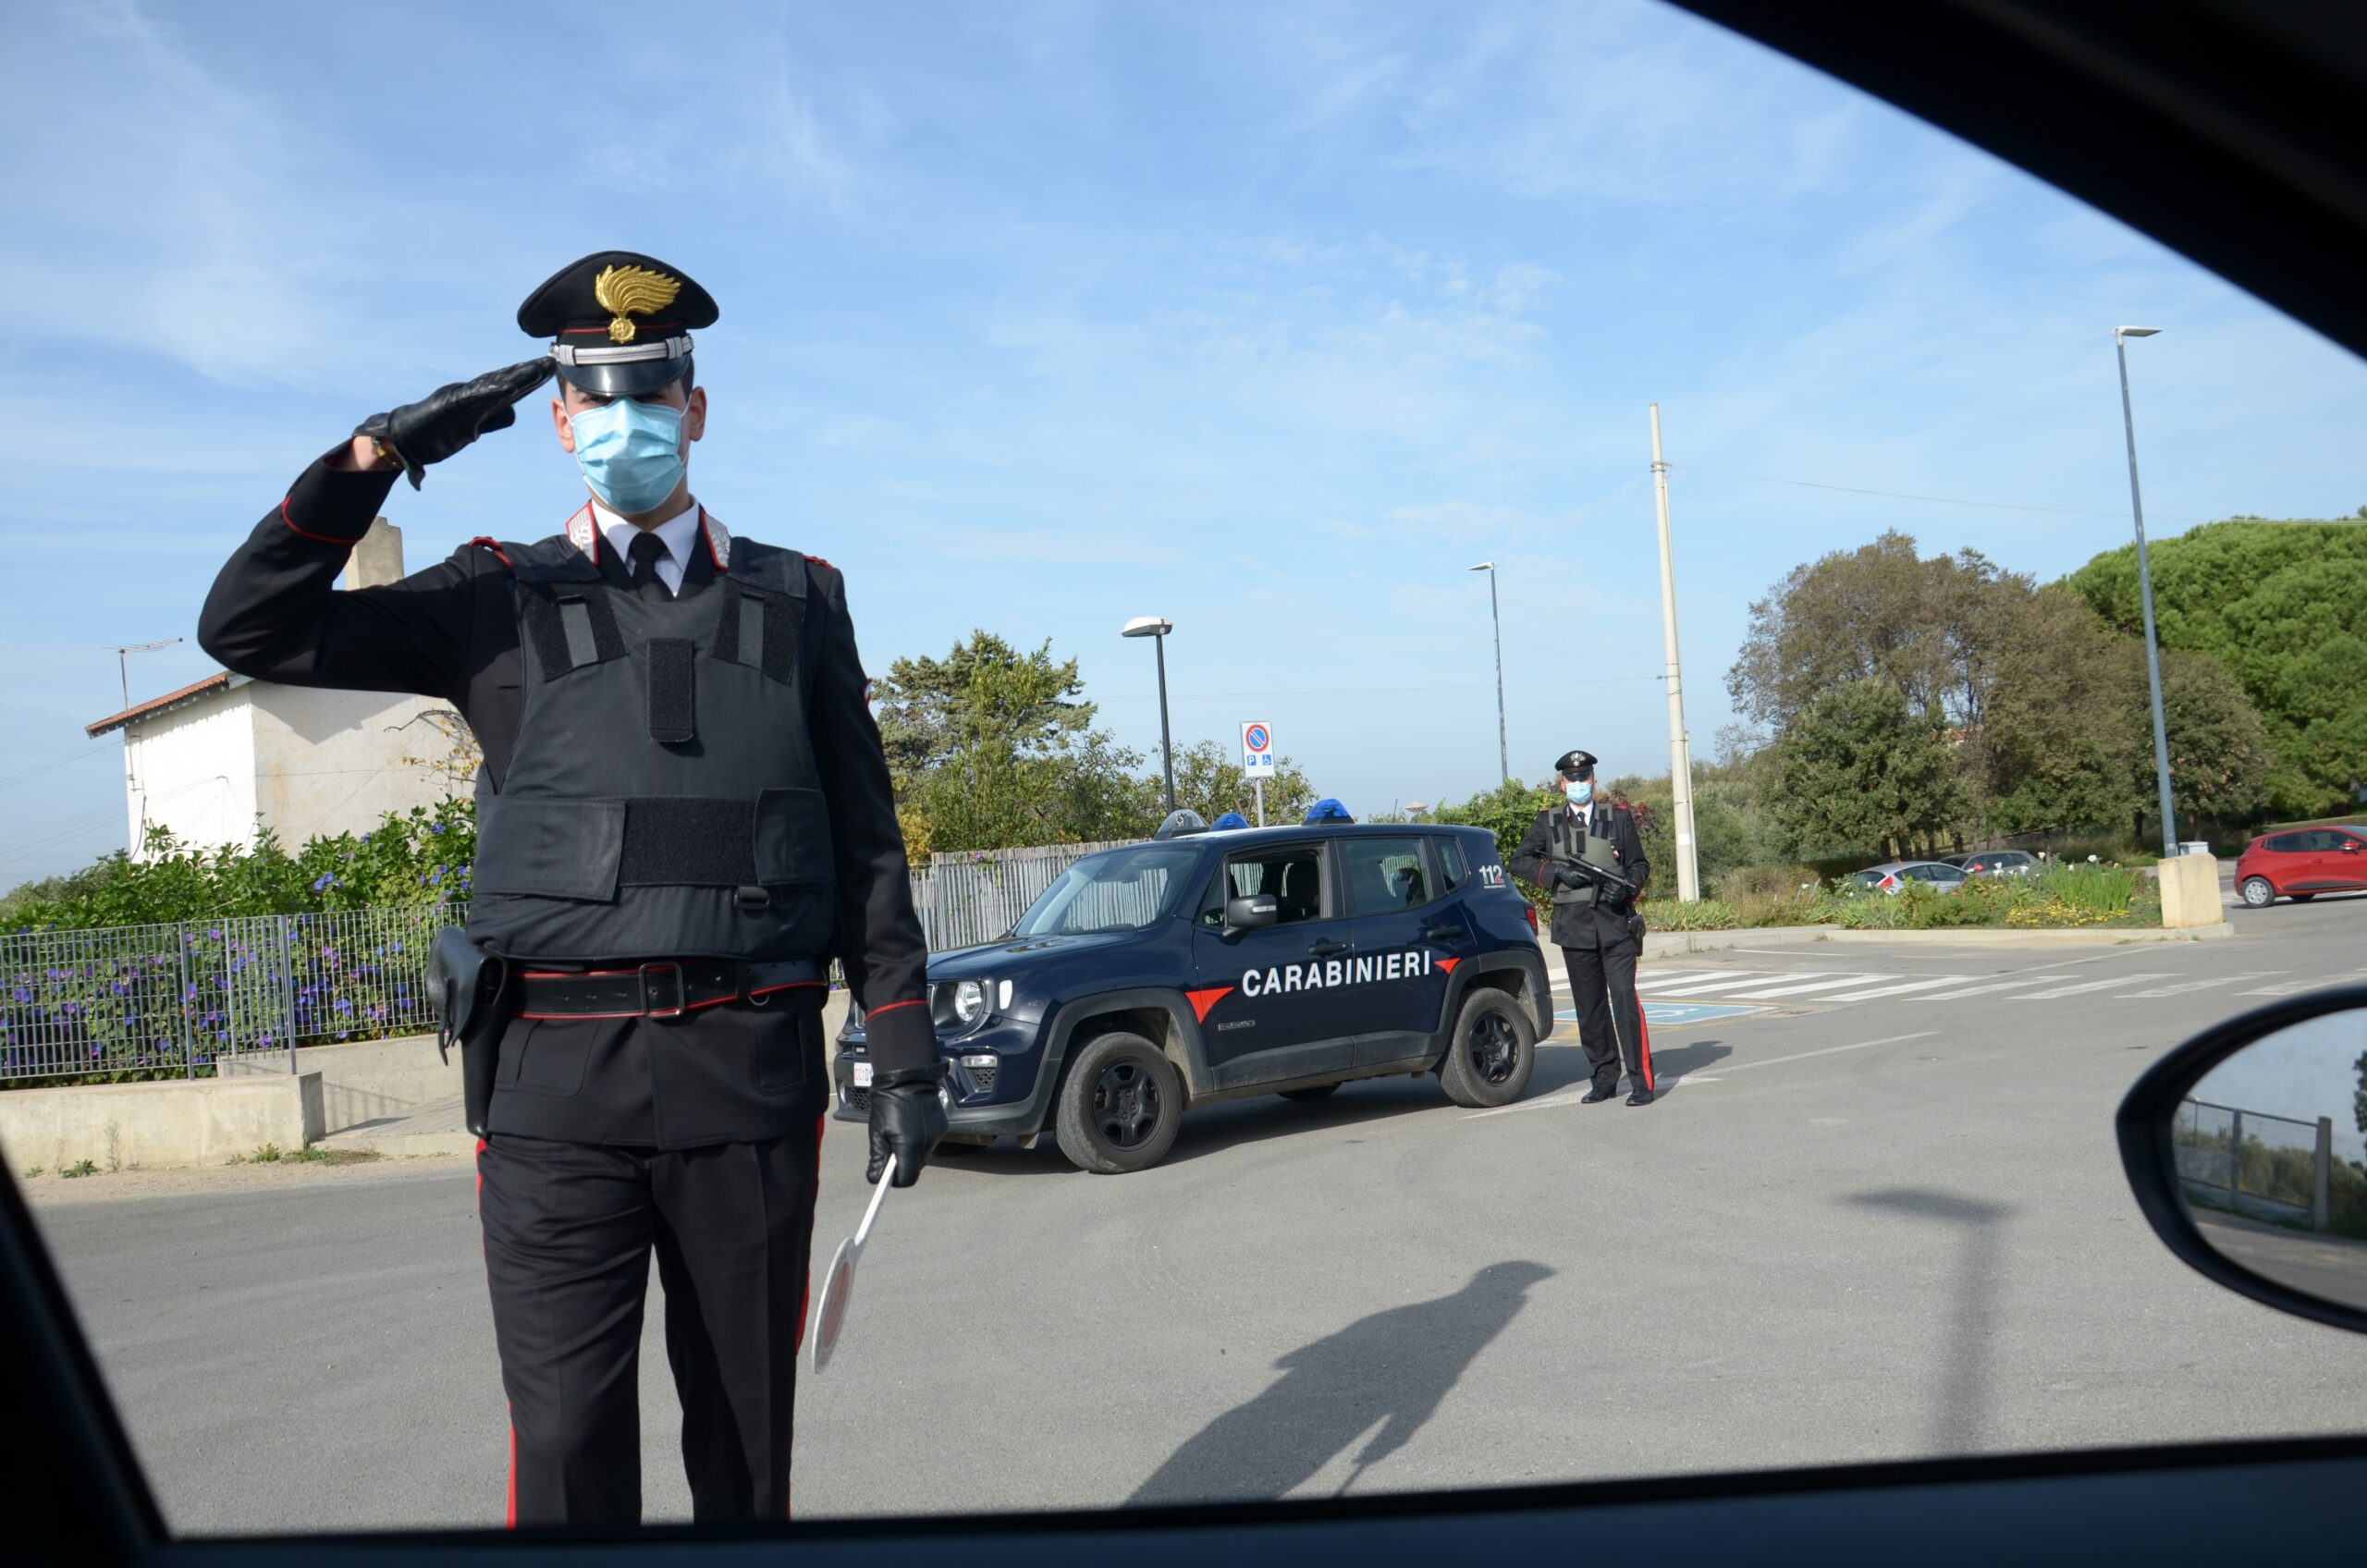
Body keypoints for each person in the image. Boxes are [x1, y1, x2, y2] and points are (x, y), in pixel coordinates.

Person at [195, 251, 948, 1525]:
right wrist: (370, 457)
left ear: (696, 408)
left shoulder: (800, 600)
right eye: (596, 402)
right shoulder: (492, 595)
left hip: (747, 1076)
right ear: (557, 423)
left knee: (746, 1448)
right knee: (565, 1448)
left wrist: (906, 1045)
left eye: (650, 396)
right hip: (554, 1088)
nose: (625, 425)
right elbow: (246, 629)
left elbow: (866, 843)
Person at [1509, 749, 1655, 1106]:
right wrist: (1557, 873)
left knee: (1623, 998)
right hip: (1574, 929)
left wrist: (1630, 885)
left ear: (1594, 781)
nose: (1578, 784)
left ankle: (1641, 1081)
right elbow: (1519, 861)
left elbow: (1639, 864)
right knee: (1589, 1008)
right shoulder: (1548, 823)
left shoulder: (1617, 819)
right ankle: (1604, 1078)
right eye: (1572, 780)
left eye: (1584, 778)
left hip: (1615, 922)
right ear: (1562, 784)